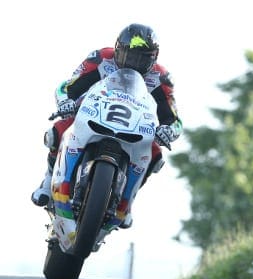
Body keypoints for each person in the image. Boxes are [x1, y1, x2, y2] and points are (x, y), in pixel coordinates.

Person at [31, 23, 182, 229]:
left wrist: (168, 131)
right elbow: (67, 87)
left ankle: (127, 203)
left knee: (155, 155)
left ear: (153, 59)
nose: (133, 63)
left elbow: (174, 118)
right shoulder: (100, 58)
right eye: (129, 56)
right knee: (58, 130)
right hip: (95, 111)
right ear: (118, 49)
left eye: (141, 58)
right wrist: (66, 101)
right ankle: (48, 181)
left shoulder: (161, 78)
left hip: (135, 124)